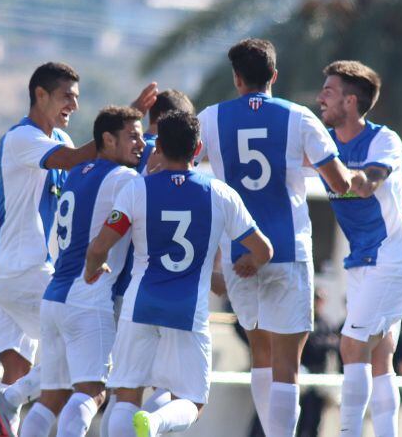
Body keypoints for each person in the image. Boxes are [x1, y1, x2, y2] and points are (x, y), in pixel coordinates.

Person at [0, 66, 157, 437]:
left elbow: (84, 157)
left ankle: (10, 398)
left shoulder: (59, 138)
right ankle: (12, 397)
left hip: (8, 275)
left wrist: (119, 131)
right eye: (67, 96)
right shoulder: (21, 138)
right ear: (40, 95)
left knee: (35, 378)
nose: (74, 104)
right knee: (80, 370)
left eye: (77, 97)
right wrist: (126, 131)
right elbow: (75, 157)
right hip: (22, 270)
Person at [196, 38, 352, 437]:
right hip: (288, 251)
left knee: (261, 358)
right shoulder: (299, 118)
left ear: (236, 78)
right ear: (274, 76)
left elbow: (185, 163)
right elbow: (338, 182)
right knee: (288, 366)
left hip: (239, 255)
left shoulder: (210, 118)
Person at [85, 110, 273, 437]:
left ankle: (146, 423)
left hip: (139, 305)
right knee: (192, 401)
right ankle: (156, 423)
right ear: (198, 148)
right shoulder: (221, 194)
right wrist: (249, 264)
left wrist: (92, 269)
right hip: (188, 311)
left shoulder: (137, 190)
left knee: (126, 394)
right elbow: (264, 250)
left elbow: (99, 246)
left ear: (158, 148)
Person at [15, 106, 144, 437]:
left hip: (55, 296)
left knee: (51, 398)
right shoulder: (125, 178)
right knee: (92, 392)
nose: (141, 143)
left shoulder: (76, 173)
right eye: (132, 136)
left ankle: (12, 402)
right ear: (107, 139)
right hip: (88, 296)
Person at [315, 60, 402, 437]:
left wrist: (358, 179)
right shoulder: (324, 145)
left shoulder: (383, 139)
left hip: (393, 259)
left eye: (328, 92)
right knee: (380, 355)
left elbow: (373, 179)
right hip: (363, 261)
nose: (320, 99)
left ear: (351, 100)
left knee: (351, 344)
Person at [99, 88, 196, 437]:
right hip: (177, 294)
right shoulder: (179, 160)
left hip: (126, 289)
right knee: (169, 391)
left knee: (123, 390)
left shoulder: (129, 157)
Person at [297, 290, 339, 437]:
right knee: (303, 418)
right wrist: (327, 342)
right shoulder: (304, 320)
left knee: (316, 418)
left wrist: (326, 343)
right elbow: (312, 345)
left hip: (320, 375)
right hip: (304, 374)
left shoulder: (325, 323)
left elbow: (336, 345)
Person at [135, 89, 195, 175]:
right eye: (182, 119)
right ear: (164, 116)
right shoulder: (163, 149)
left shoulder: (130, 145)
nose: (186, 126)